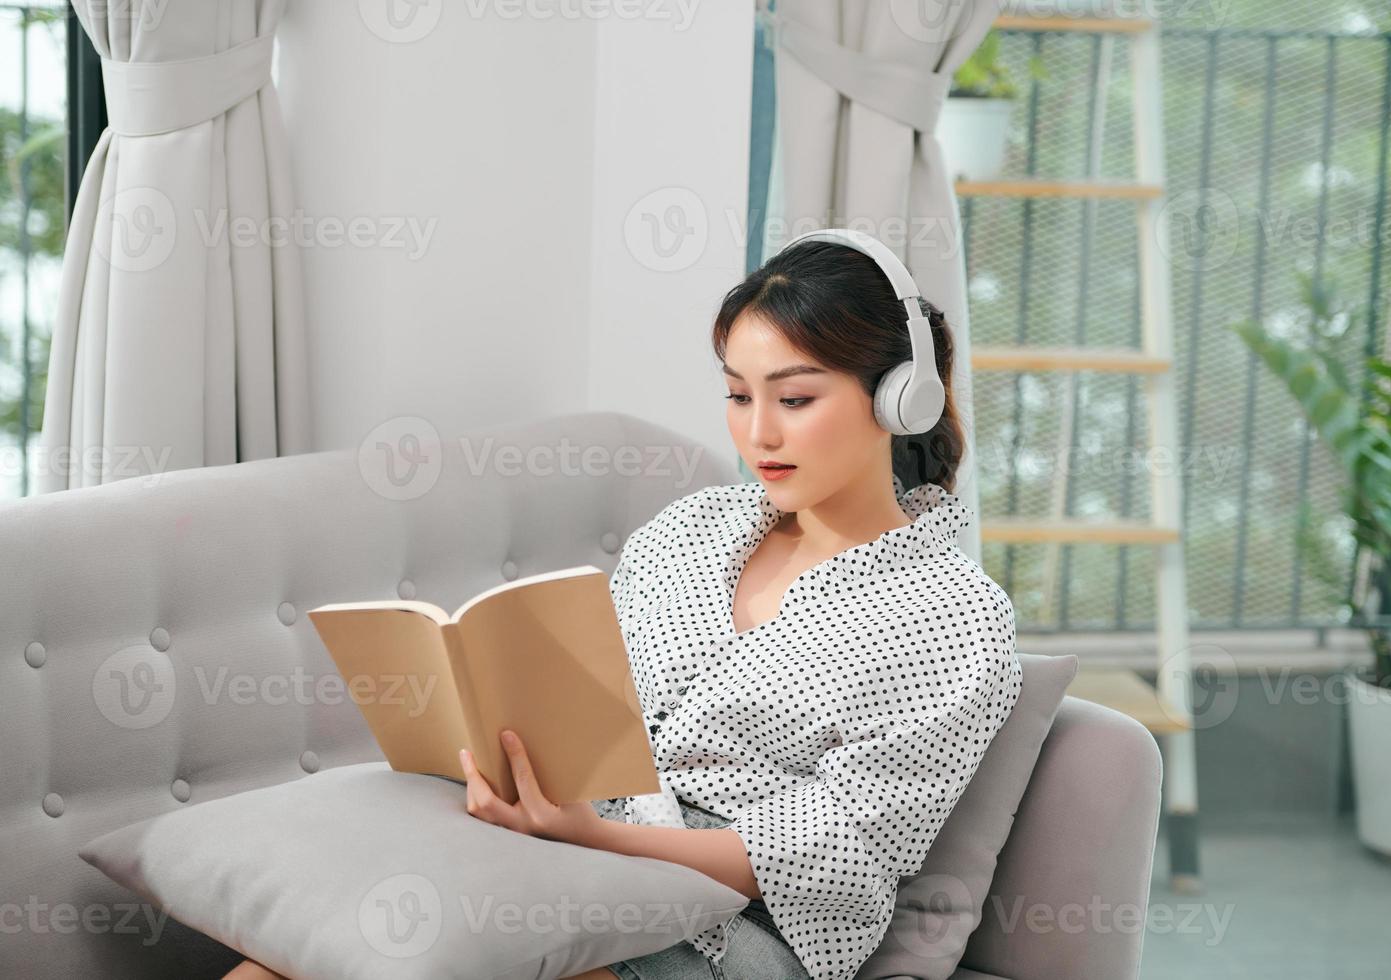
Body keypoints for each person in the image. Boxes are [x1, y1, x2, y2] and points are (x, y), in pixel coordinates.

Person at [223, 233, 1022, 980]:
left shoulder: (956, 616)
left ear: (898, 401)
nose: (759, 433)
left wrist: (601, 838)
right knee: (294, 960)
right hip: (560, 852)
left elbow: (844, 851)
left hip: (734, 922)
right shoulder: (690, 530)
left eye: (796, 399)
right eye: (738, 397)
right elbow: (580, 699)